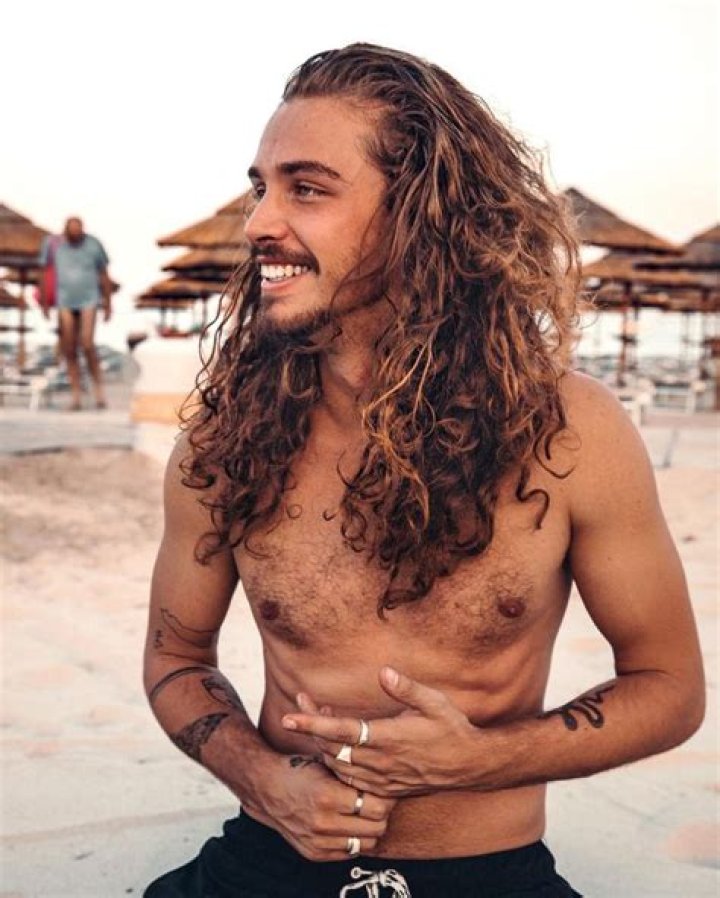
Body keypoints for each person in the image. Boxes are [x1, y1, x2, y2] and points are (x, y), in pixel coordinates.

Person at [142, 44, 705, 898]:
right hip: (272, 856)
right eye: (261, 187)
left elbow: (669, 687)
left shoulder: (569, 434)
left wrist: (482, 761)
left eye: (306, 188)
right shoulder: (227, 440)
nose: (258, 222)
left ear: (420, 213)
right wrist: (261, 778)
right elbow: (176, 657)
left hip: (488, 871)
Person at [38, 216, 113, 410]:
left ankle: (99, 391)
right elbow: (44, 273)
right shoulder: (53, 244)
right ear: (65, 230)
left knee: (87, 344)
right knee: (69, 348)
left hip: (90, 299)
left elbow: (104, 274)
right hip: (64, 300)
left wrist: (108, 304)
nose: (75, 234)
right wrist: (44, 303)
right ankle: (76, 396)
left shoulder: (94, 244)